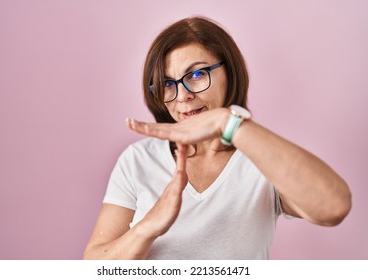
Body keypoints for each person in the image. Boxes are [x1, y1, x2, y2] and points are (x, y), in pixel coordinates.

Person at [83, 16, 352, 260]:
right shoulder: (138, 160)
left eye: (197, 74)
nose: (183, 95)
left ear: (229, 72)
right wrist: (147, 228)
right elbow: (94, 267)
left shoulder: (261, 157)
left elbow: (334, 206)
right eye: (168, 84)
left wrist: (228, 122)